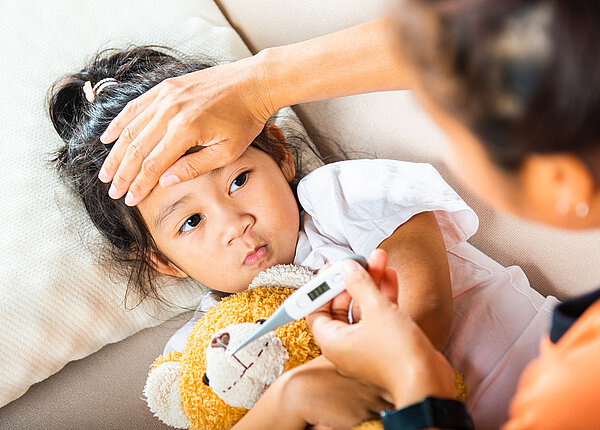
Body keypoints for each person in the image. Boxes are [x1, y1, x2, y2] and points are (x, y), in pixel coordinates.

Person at [92, 0, 600, 428]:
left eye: (240, 180)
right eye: (190, 222)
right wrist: (285, 402)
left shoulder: (338, 198)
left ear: (281, 153)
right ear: (161, 259)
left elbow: (427, 313)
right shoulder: (210, 342)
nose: (233, 223)